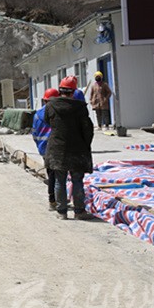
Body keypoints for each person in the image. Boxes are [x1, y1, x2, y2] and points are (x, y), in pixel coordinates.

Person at [44, 75, 95, 220]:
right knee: (77, 180)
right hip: (77, 149)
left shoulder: (50, 105)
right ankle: (79, 212)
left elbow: (48, 122)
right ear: (73, 91)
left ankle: (62, 212)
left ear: (60, 90)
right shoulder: (80, 107)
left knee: (59, 180)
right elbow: (87, 129)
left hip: (57, 149)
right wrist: (85, 144)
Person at [32, 88, 61, 210]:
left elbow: (34, 134)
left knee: (51, 175)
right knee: (59, 176)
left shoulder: (37, 115)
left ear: (44, 100)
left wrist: (40, 145)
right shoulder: (57, 114)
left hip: (44, 149)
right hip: (56, 148)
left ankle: (52, 200)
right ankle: (59, 200)